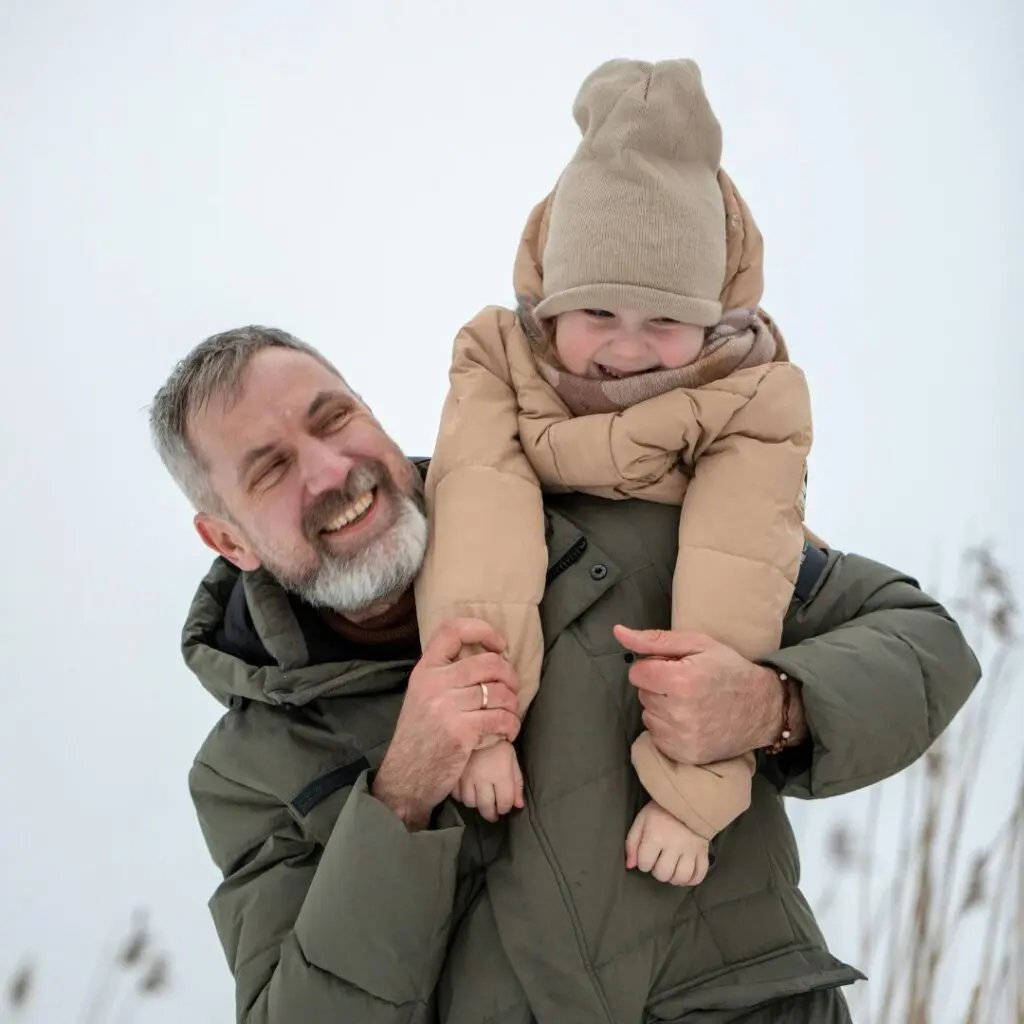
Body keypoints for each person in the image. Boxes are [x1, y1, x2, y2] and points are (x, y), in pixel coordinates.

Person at [150, 324, 979, 1022]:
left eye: (334, 418)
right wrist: (401, 793)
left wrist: (773, 705)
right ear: (229, 541)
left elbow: (925, 640)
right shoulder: (246, 774)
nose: (331, 470)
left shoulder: (610, 511)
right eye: (270, 469)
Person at [417, 57, 808, 887]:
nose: (627, 347)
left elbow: (737, 576)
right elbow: (476, 525)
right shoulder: (497, 360)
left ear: (712, 322)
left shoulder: (750, 399)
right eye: (597, 311)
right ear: (548, 301)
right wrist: (483, 723)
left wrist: (693, 790)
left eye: (666, 319)